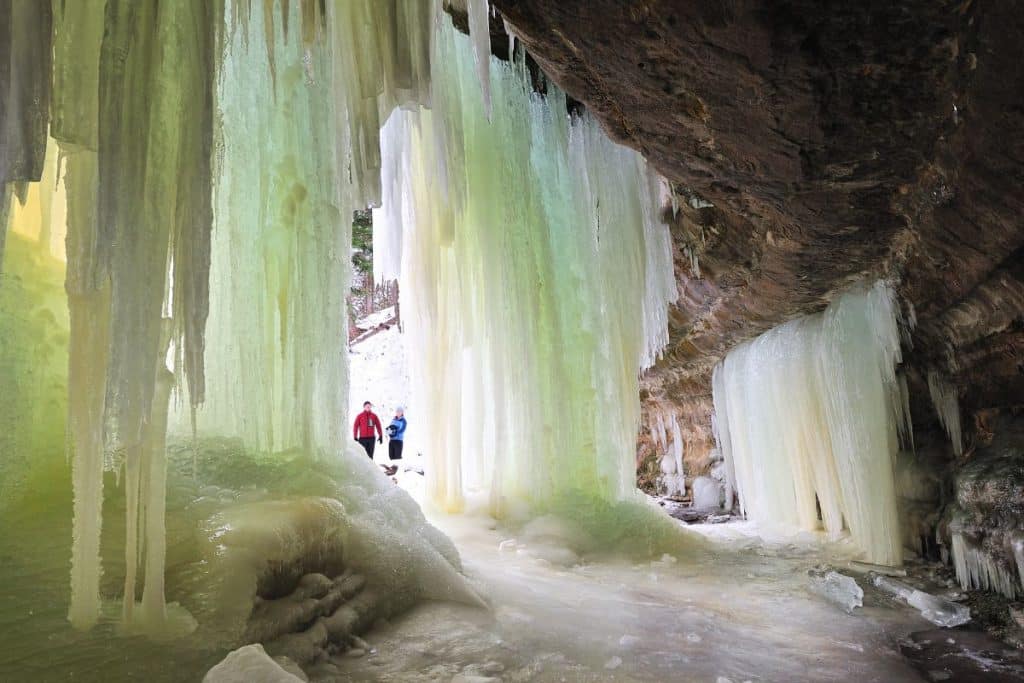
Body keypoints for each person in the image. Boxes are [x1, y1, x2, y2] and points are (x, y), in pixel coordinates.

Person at [384, 406, 407, 475]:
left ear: (402, 413)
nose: (397, 413)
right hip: (392, 440)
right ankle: (392, 468)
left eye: (399, 412)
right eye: (397, 411)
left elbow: (402, 430)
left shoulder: (403, 421)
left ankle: (397, 470)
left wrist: (394, 432)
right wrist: (388, 432)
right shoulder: (393, 419)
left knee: (397, 455)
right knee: (391, 455)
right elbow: (390, 427)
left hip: (398, 440)